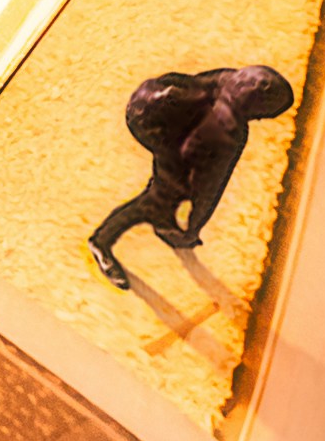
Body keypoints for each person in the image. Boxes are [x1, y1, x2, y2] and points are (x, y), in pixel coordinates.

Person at [88, 62, 298, 288]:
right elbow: (208, 187)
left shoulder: (227, 77)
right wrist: (193, 227)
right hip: (158, 128)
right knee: (157, 198)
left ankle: (162, 222)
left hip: (148, 101)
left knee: (166, 191)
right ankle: (101, 242)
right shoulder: (227, 131)